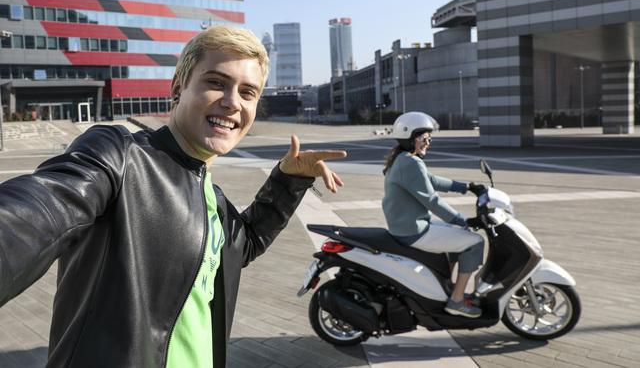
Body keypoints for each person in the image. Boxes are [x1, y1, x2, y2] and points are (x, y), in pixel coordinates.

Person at [0, 25, 347, 367]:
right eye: (216, 83)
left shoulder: (213, 198)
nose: (232, 102)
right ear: (178, 88)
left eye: (247, 92)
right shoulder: (120, 157)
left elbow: (244, 244)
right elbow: (39, 211)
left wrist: (288, 180)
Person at [381, 111, 484, 318]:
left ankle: (448, 287)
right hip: (413, 231)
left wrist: (467, 187)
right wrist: (464, 220)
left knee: (459, 233)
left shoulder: (402, 158)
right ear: (411, 137)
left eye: (430, 138)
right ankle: (456, 300)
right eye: (425, 138)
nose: (428, 142)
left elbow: (431, 180)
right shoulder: (410, 162)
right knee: (475, 242)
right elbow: (432, 200)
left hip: (406, 227)